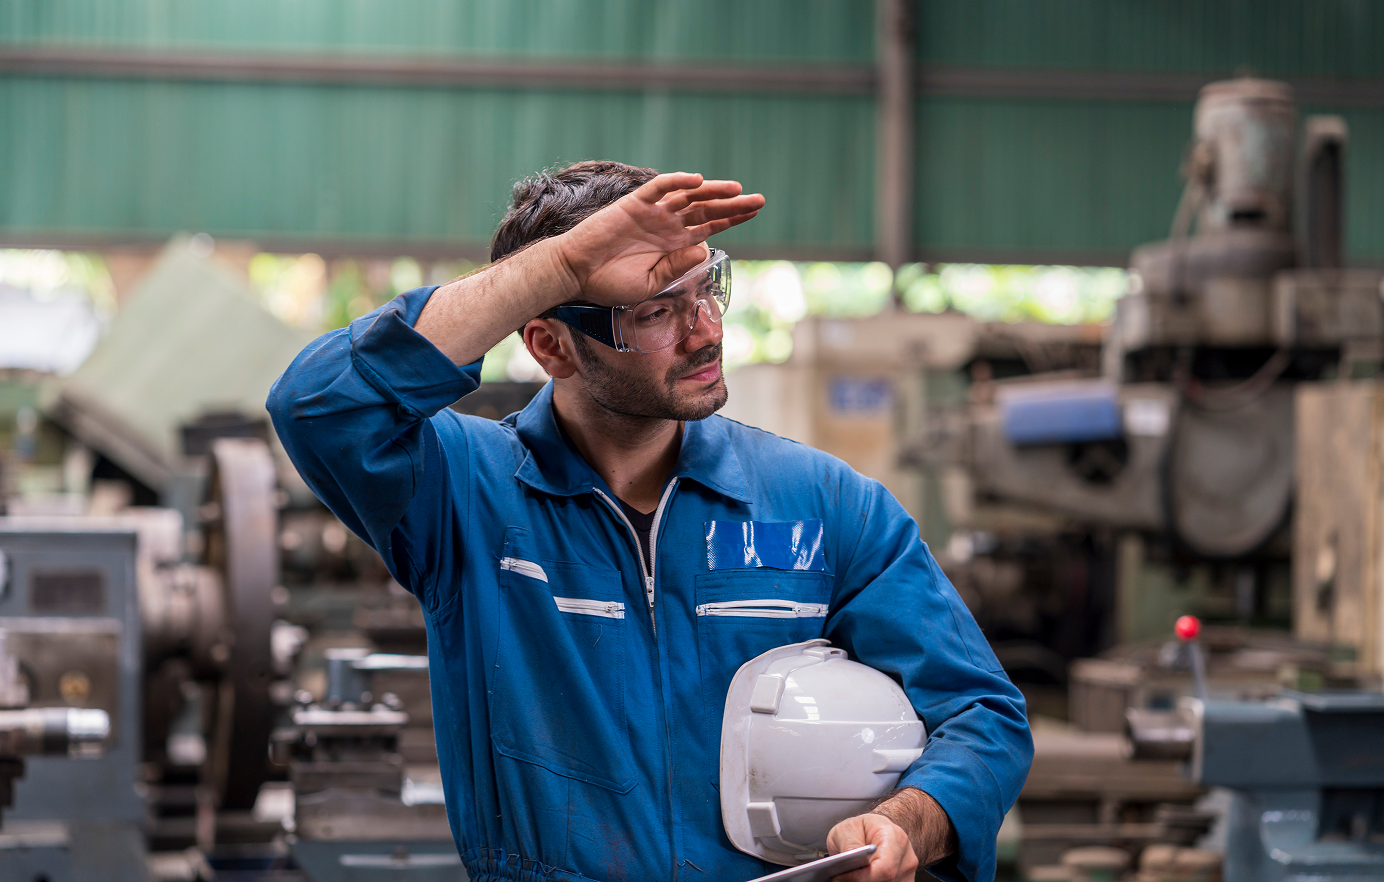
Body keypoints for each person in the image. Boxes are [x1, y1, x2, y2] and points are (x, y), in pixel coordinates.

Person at [268, 160, 1032, 882]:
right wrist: (562, 266)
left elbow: (982, 715)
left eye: (707, 289)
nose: (704, 331)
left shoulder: (826, 507)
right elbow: (318, 406)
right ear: (549, 345)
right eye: (656, 311)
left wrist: (908, 819)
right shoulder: (466, 498)